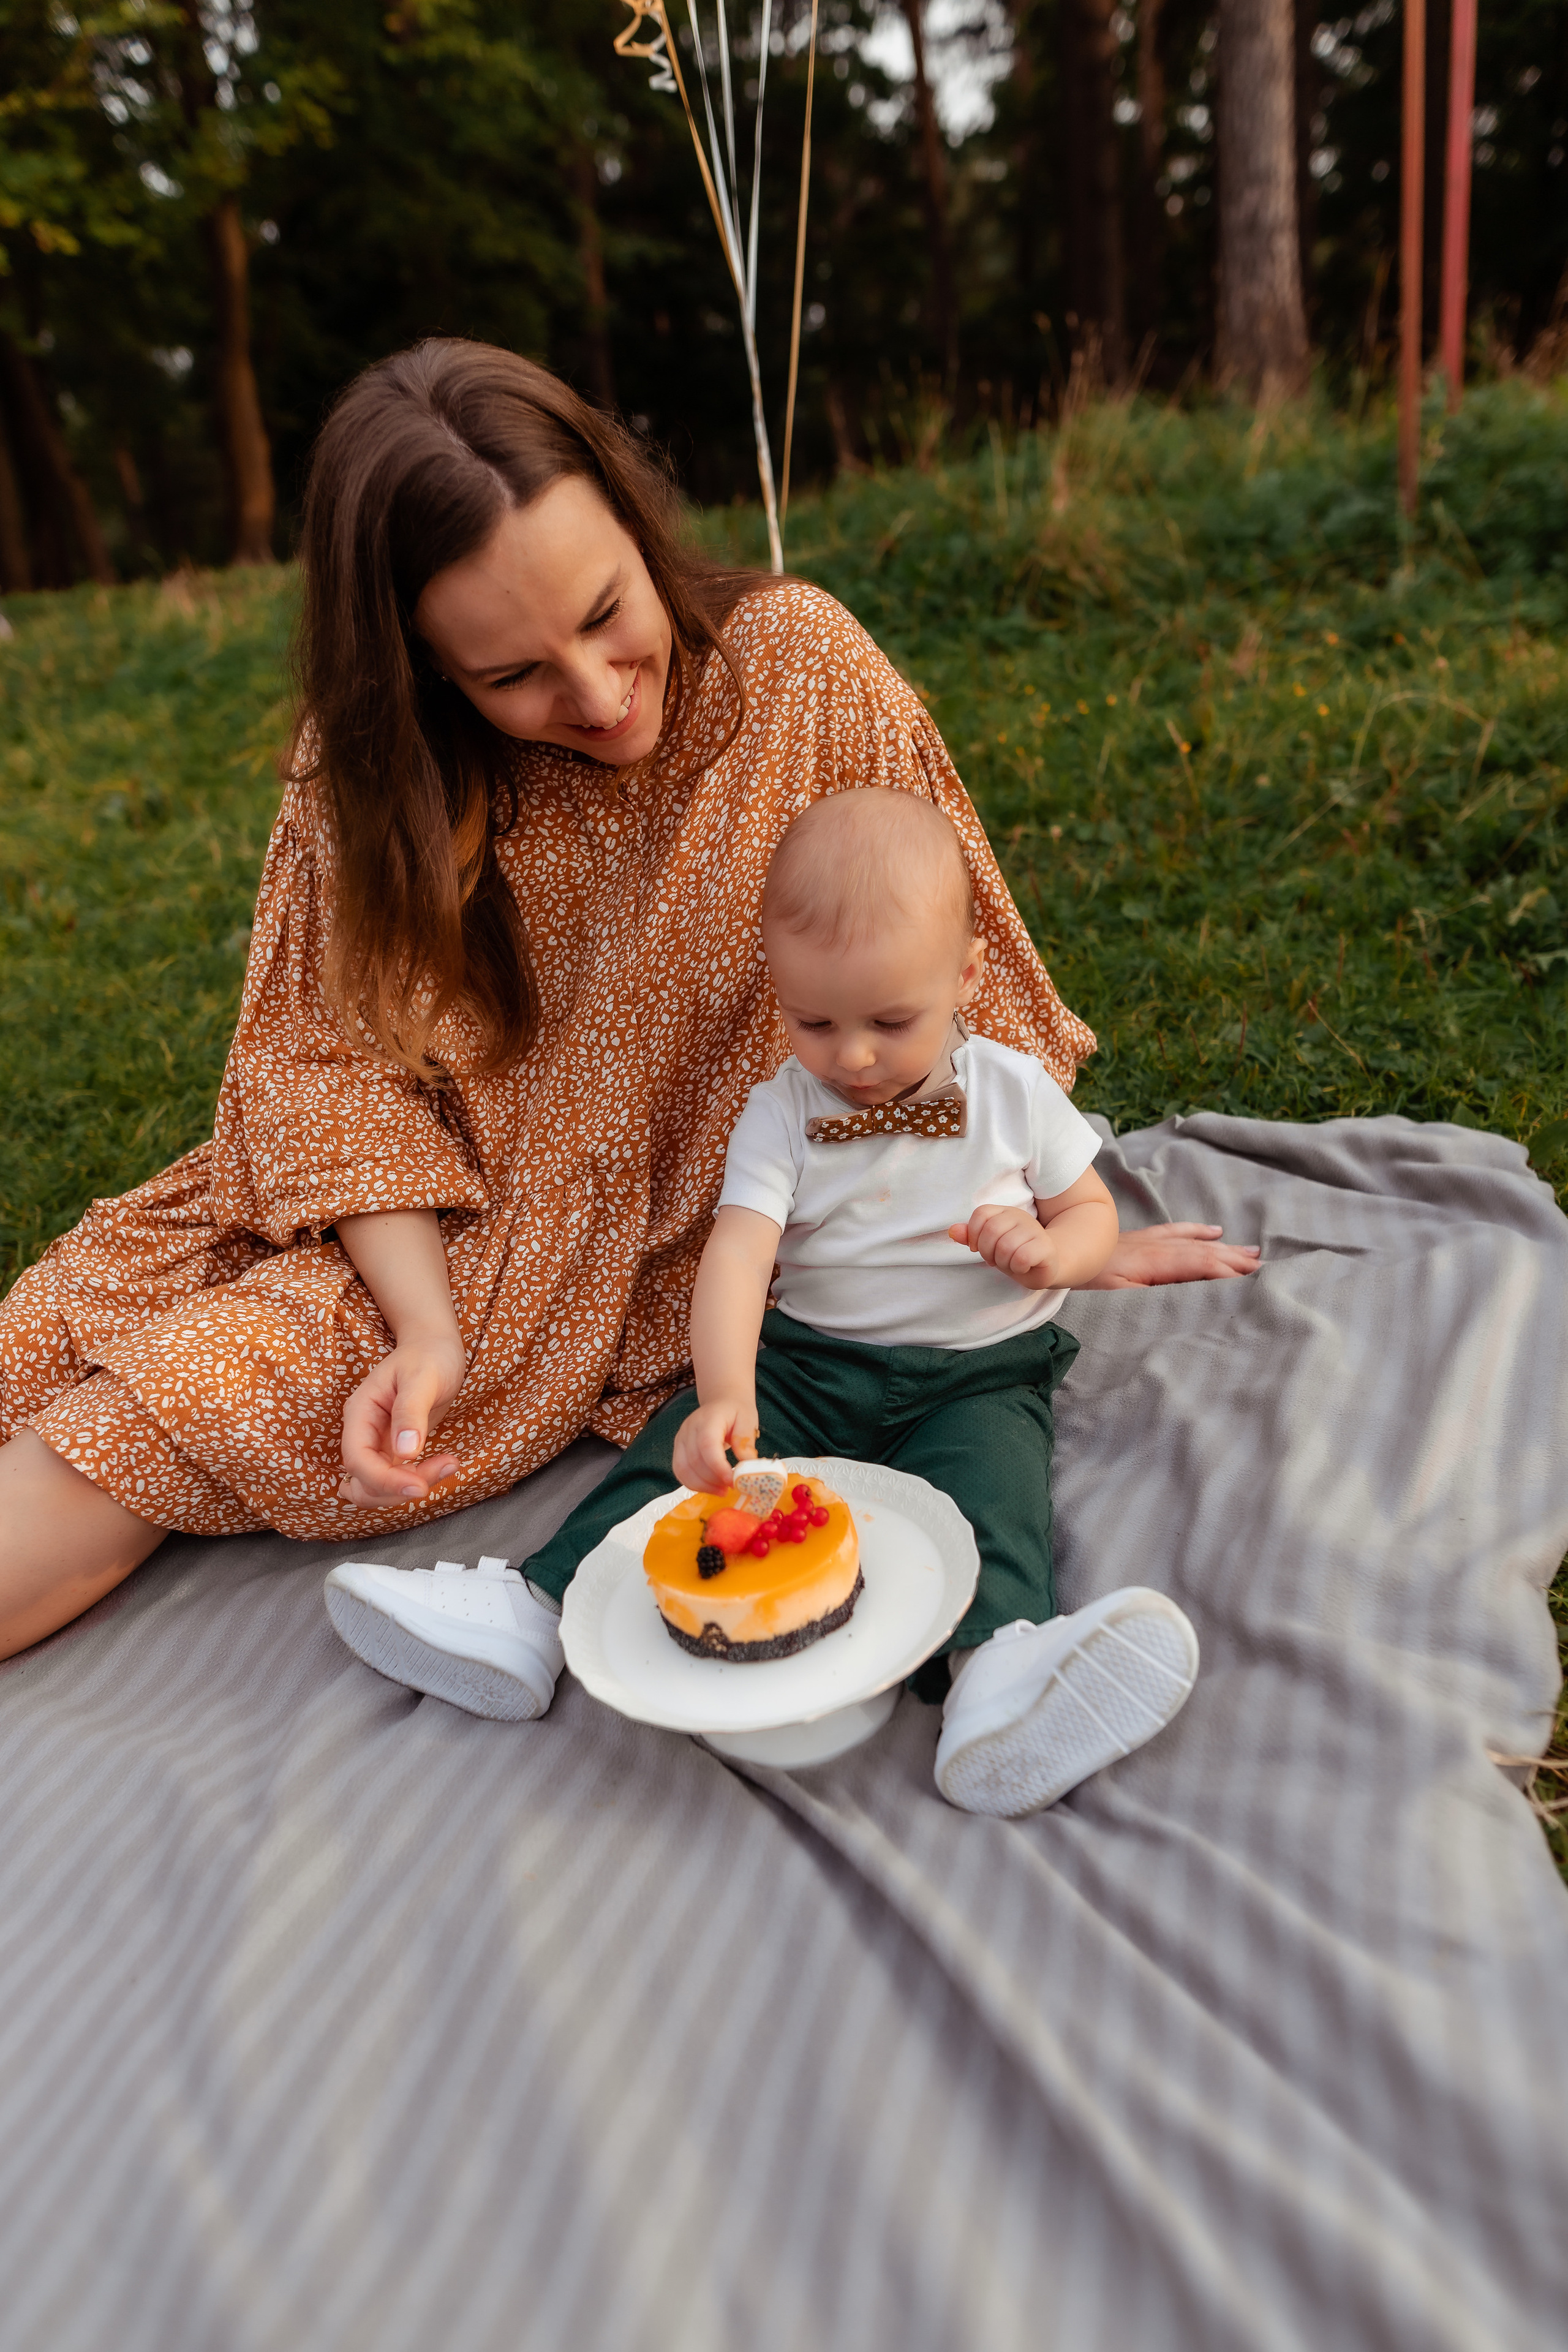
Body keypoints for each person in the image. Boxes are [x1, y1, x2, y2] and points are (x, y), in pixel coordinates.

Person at [0, 339, 1256, 1665]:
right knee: (39, 1344)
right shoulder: (371, 773)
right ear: (425, 671)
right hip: (415, 1229)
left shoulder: (800, 668)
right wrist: (424, 1329)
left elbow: (947, 980)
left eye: (605, 613)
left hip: (649, 1245)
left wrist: (1060, 1229)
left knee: (148, 1417)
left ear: (637, 521)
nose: (594, 696)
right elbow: (328, 1075)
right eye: (510, 675)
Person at [328, 791, 1202, 1815]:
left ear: (966, 977)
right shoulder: (784, 1111)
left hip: (978, 1373)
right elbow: (739, 1257)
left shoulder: (1012, 1093)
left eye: (891, 1021)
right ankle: (529, 1611)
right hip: (809, 1361)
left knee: (994, 1499)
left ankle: (998, 1682)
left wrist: (1054, 1253)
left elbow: (1090, 1210)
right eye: (815, 1021)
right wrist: (724, 1393)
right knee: (677, 1470)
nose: (855, 1057)